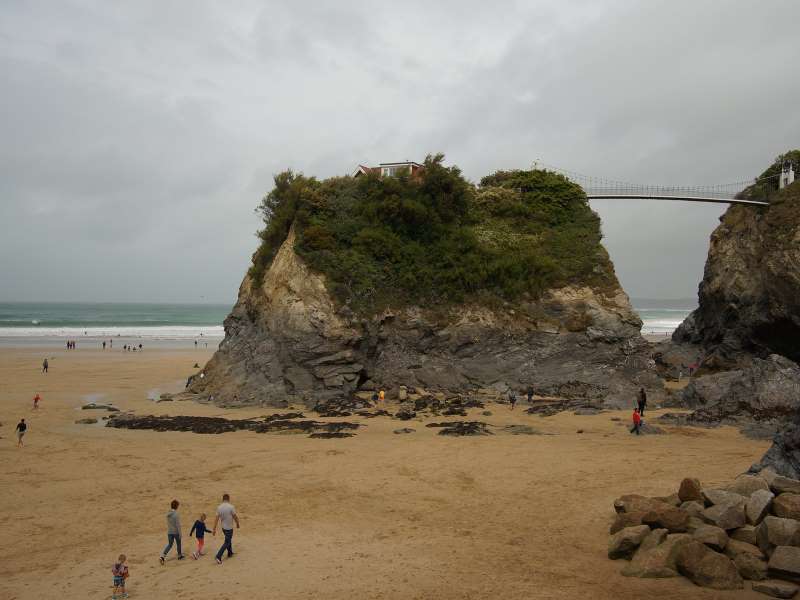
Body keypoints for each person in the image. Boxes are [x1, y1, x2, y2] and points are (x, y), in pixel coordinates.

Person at [213, 493, 240, 564]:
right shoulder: (231, 507)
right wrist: (237, 523)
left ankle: (230, 553)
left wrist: (214, 529)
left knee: (228, 539)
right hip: (229, 527)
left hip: (223, 528)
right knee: (227, 542)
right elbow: (235, 516)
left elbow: (216, 519)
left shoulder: (219, 507)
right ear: (228, 499)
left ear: (223, 499)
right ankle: (218, 556)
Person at [159, 499, 184, 564]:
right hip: (176, 532)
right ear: (176, 506)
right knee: (178, 543)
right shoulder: (176, 514)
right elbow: (178, 525)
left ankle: (162, 556)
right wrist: (180, 533)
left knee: (170, 544)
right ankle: (179, 555)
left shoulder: (168, 514)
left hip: (169, 532)